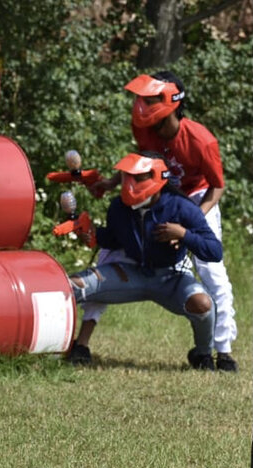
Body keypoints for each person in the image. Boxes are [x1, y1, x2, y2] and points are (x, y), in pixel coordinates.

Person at [72, 70, 238, 372]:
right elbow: (142, 160)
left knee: (211, 271)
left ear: (170, 101)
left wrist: (190, 225)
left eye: (149, 99)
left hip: (196, 196)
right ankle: (81, 343)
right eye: (141, 99)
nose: (141, 105)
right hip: (157, 193)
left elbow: (217, 186)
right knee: (111, 253)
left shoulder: (201, 140)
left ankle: (222, 351)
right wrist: (111, 183)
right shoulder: (144, 127)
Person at [67, 151, 222, 370]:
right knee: (74, 285)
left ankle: (203, 355)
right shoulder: (118, 207)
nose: (130, 183)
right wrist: (92, 235)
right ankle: (55, 343)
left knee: (203, 305)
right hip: (130, 273)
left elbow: (215, 251)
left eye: (139, 177)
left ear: (158, 176)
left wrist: (183, 234)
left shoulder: (181, 206)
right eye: (127, 176)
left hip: (172, 277)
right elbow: (112, 239)